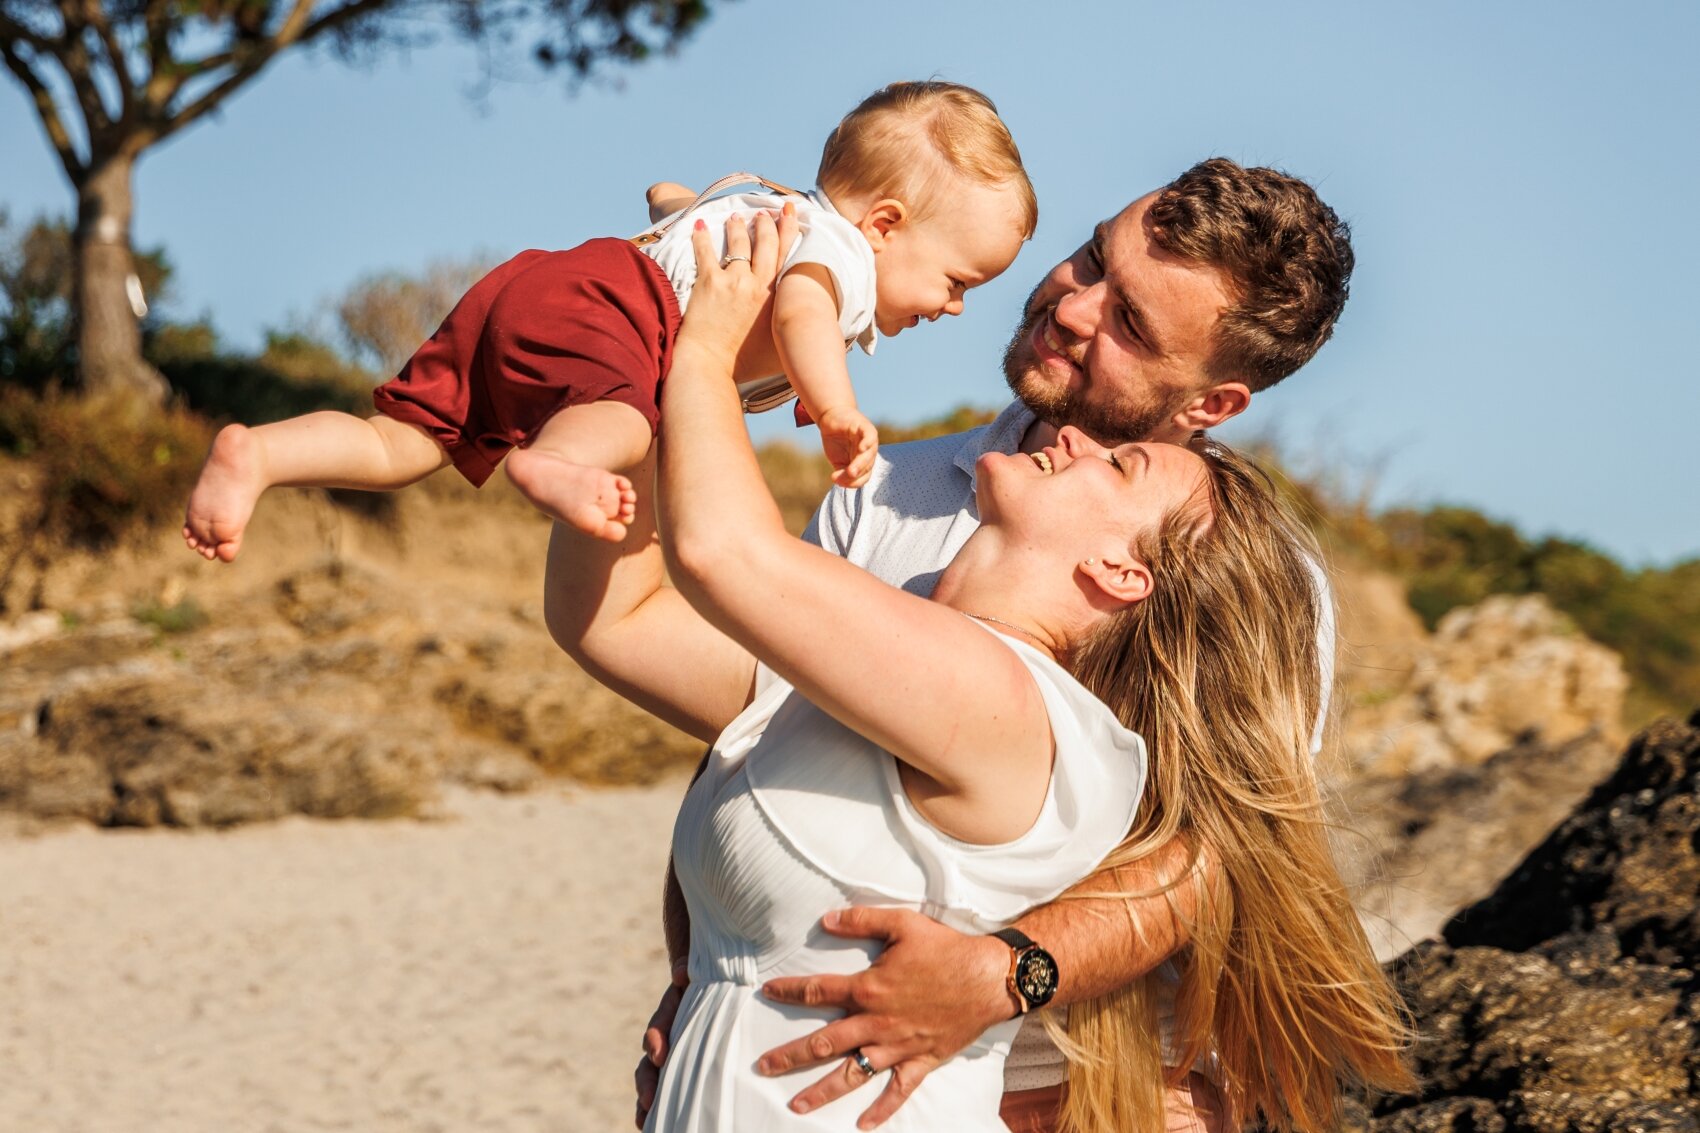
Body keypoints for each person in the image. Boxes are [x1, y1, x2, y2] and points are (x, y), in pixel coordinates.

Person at [549, 209, 1411, 1131]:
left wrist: (1005, 974)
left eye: (1131, 323)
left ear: (1211, 403)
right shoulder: (879, 489)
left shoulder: (1238, 586)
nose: (1074, 306)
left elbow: (1216, 850)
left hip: (1085, 1093)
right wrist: (704, 977)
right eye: (1091, 261)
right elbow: (742, 729)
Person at [180, 81, 1035, 563]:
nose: (954, 306)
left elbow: (672, 198)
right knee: (627, 420)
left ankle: (259, 452)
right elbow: (807, 309)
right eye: (958, 280)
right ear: (884, 225)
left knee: (403, 441)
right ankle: (551, 462)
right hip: (619, 311)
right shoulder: (838, 256)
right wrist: (836, 404)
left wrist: (679, 213)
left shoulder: (766, 201)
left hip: (539, 283)